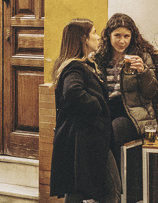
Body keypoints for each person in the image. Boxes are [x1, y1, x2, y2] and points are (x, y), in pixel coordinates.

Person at [50, 18, 119, 203]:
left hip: (85, 138)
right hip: (86, 139)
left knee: (77, 191)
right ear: (84, 39)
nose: (98, 37)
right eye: (94, 33)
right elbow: (72, 91)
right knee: (111, 188)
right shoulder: (74, 67)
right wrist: (95, 105)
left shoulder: (81, 64)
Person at [93, 14, 158, 157]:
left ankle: (116, 179)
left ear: (132, 37)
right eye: (117, 35)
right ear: (108, 35)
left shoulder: (141, 56)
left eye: (126, 36)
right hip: (106, 110)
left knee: (112, 131)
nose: (122, 41)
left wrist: (143, 72)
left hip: (133, 115)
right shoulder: (100, 58)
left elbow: (151, 93)